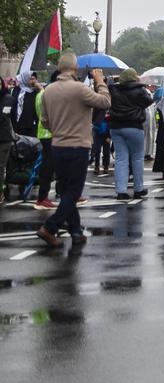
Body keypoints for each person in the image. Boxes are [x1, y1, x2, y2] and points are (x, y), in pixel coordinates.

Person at [36, 53, 110, 248]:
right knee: (74, 191)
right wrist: (100, 81)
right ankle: (50, 227)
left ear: (59, 68)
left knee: (66, 190)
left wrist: (58, 129)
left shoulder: (48, 90)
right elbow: (105, 102)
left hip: (58, 145)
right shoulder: (80, 89)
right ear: (75, 69)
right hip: (78, 145)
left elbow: (44, 120)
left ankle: (76, 230)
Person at [109, 68, 153, 201]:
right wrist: (140, 84)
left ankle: (121, 191)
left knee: (121, 159)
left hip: (116, 126)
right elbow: (149, 101)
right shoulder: (139, 90)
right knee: (137, 158)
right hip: (134, 126)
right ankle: (138, 189)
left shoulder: (114, 90)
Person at [33, 71, 59, 210]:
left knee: (49, 167)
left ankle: (44, 196)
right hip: (50, 134)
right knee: (48, 168)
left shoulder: (41, 94)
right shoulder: (49, 95)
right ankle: (42, 198)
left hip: (44, 134)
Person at [0, 81, 15, 202]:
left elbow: (3, 116)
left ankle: (1, 192)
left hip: (4, 138)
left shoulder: (8, 99)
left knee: (0, 166)